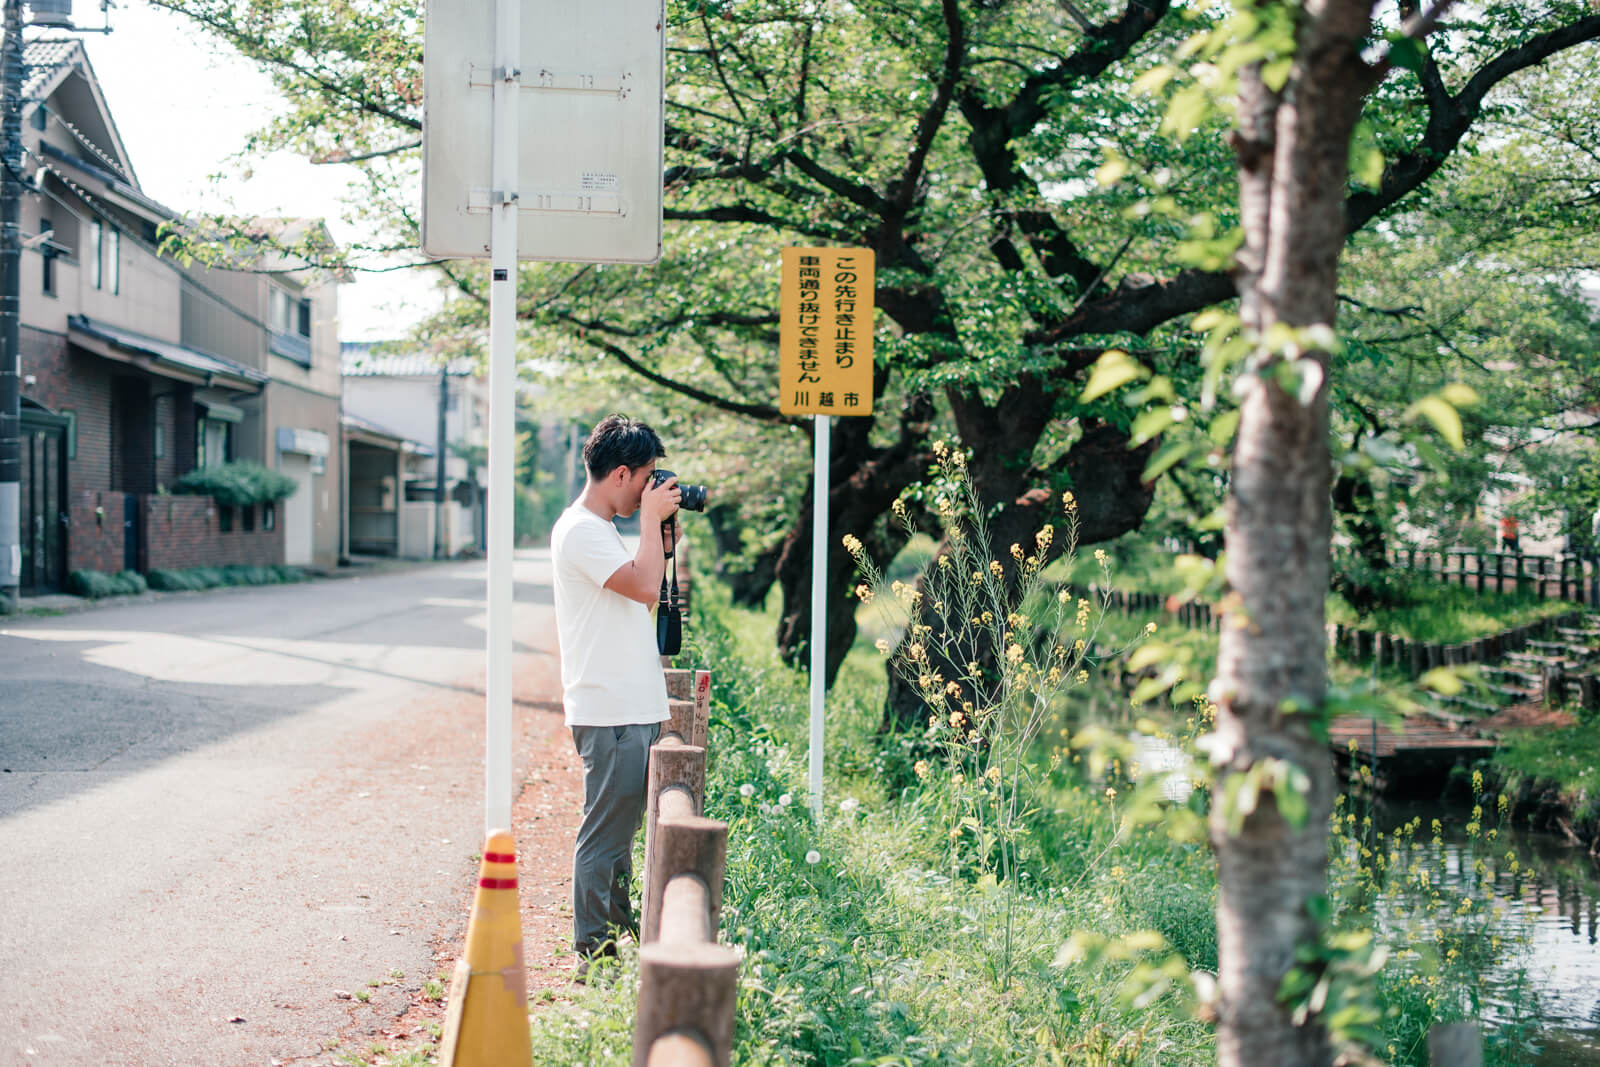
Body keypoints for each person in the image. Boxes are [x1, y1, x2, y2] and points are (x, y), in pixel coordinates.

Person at [550, 414, 680, 977]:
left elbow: (642, 588)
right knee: (603, 840)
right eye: (647, 478)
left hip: (628, 710)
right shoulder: (580, 530)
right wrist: (650, 521)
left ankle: (616, 945)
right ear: (621, 473)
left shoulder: (600, 530)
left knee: (619, 840)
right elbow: (646, 588)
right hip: (611, 714)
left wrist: (659, 534)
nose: (652, 489)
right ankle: (594, 958)